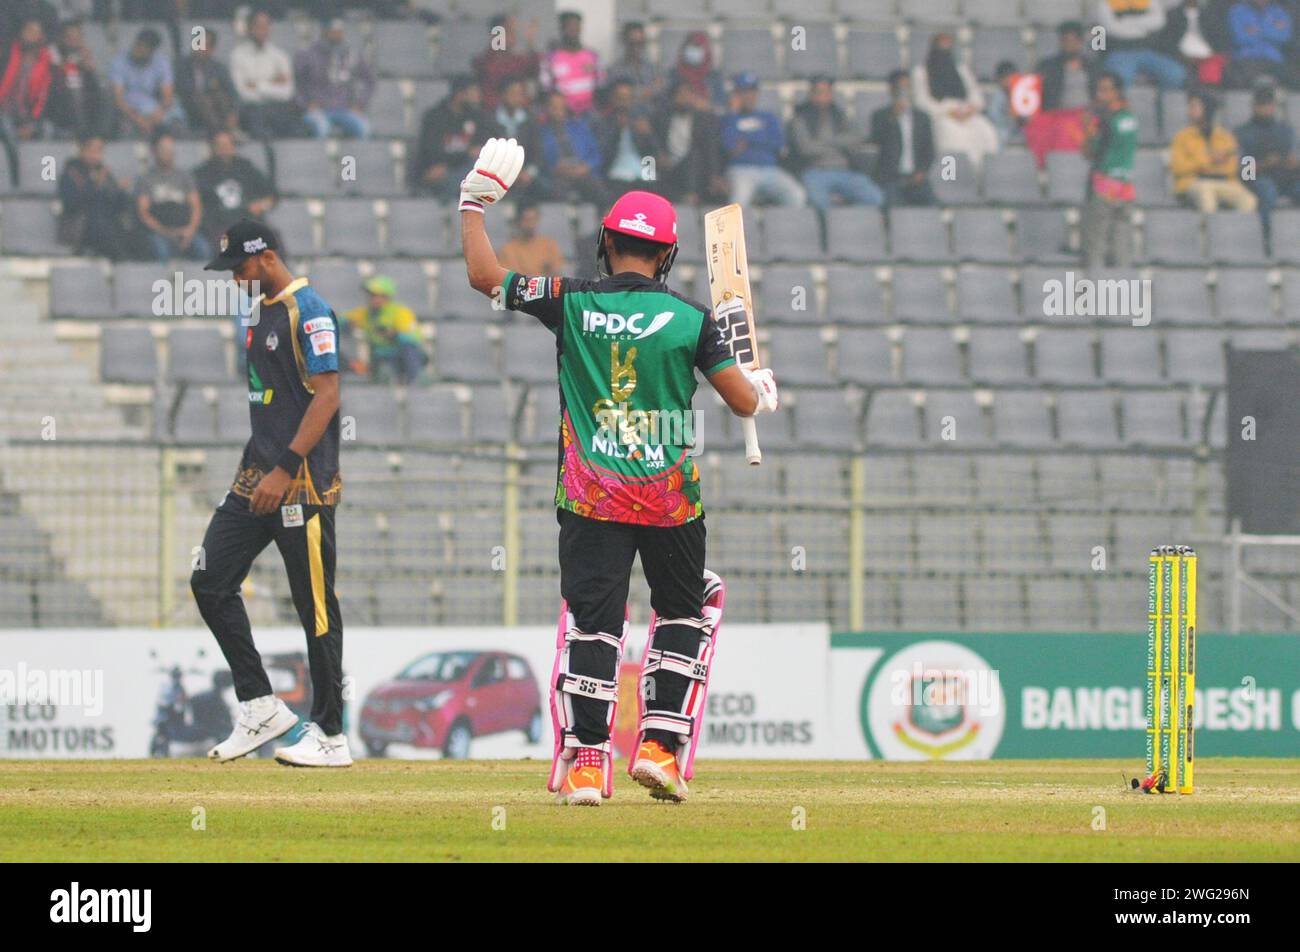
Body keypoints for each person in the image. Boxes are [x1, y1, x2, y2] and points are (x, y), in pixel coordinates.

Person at [458, 138, 779, 805]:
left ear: (606, 243)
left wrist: (472, 209)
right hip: (670, 500)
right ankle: (659, 749)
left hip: (590, 495)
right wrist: (760, 385)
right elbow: (743, 401)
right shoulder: (694, 319)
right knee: (682, 613)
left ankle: (585, 766)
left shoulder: (569, 301)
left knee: (594, 625)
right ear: (666, 255)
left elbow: (487, 278)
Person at [194, 219, 350, 768]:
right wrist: (258, 469)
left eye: (239, 267)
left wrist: (284, 468)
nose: (235, 278)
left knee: (316, 609)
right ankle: (261, 704)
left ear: (264, 258)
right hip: (257, 480)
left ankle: (331, 734)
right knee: (209, 579)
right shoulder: (259, 313)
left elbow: (327, 396)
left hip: (299, 485)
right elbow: (272, 404)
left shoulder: (308, 311)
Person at [788, 75, 882, 212]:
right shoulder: (800, 119)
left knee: (875, 198)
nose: (824, 96)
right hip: (815, 171)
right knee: (819, 202)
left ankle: (846, 223)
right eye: (819, 92)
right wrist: (839, 143)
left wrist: (825, 142)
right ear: (812, 94)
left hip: (845, 170)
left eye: (827, 92)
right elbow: (806, 148)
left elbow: (857, 138)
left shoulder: (841, 116)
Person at [912, 32, 1000, 171]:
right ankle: (950, 178)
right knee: (952, 135)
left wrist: (970, 110)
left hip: (966, 113)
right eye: (941, 45)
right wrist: (948, 112)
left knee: (987, 131)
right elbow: (921, 102)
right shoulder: (921, 72)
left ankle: (983, 178)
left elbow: (976, 96)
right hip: (941, 116)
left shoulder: (962, 70)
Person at [1082, 72, 1139, 270]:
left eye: (1105, 90)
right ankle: (1124, 291)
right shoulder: (1130, 118)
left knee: (1095, 244)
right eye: (1099, 90)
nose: (1100, 95)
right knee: (1122, 244)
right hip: (1125, 187)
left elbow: (1090, 152)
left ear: (1117, 93)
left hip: (1104, 186)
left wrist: (1088, 131)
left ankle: (1095, 290)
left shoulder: (1106, 120)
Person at [722, 72, 805, 206]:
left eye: (752, 91)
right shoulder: (728, 119)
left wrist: (747, 141)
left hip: (769, 169)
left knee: (796, 195)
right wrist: (733, 113)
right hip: (741, 169)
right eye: (743, 92)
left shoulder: (768, 117)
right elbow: (730, 147)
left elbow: (778, 144)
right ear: (736, 95)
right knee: (738, 203)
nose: (749, 96)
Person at [1025, 21, 1098, 167]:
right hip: (1057, 114)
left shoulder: (1093, 66)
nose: (1069, 45)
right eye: (1065, 41)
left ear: (1080, 42)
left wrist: (1092, 110)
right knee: (1046, 128)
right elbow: (1032, 92)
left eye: (1073, 41)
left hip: (1086, 114)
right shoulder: (1047, 65)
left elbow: (1100, 94)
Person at [1170, 89, 1258, 211]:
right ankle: (1210, 228)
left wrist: (1211, 165)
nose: (1189, 111)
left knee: (1249, 200)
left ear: (1207, 109)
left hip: (1224, 182)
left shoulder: (1225, 137)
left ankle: (1235, 229)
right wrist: (1209, 161)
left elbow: (1232, 167)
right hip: (1194, 182)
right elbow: (1179, 168)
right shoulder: (1182, 137)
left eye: (1194, 106)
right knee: (1206, 193)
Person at [1235, 82, 1300, 237]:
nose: (1267, 108)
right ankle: (1267, 237)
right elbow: (1245, 173)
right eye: (1262, 105)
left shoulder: (1286, 130)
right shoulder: (1244, 133)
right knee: (1268, 191)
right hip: (1261, 179)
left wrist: (1295, 162)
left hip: (1287, 177)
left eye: (1269, 104)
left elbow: (1294, 157)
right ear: (1254, 106)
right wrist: (1265, 164)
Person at [135, 130, 211, 263]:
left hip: (185, 230)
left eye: (171, 149)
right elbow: (143, 213)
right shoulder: (146, 179)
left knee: (204, 249)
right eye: (163, 149)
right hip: (159, 231)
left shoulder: (185, 176)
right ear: (154, 151)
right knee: (160, 251)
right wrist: (165, 232)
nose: (168, 153)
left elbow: (196, 206)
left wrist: (190, 230)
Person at [410, 75, 490, 199]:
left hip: (463, 168)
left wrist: (463, 157)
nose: (478, 96)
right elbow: (433, 152)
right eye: (474, 92)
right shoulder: (434, 117)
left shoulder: (477, 118)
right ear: (460, 94)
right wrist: (465, 154)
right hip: (436, 169)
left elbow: (478, 150)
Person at [295, 17, 374, 139]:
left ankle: (354, 158)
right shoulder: (309, 54)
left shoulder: (352, 54)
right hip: (318, 109)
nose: (337, 35)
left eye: (340, 31)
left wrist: (360, 104)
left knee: (363, 128)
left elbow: (370, 80)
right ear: (325, 33)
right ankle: (317, 157)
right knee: (321, 128)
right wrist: (306, 104)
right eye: (333, 31)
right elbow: (297, 81)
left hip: (345, 109)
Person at [193, 128, 276, 245]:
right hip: (220, 227)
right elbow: (203, 207)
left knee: (272, 239)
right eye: (220, 145)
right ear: (212, 148)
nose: (224, 149)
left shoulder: (246, 168)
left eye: (227, 144)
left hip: (248, 222)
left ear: (233, 146)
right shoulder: (202, 174)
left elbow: (271, 195)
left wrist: (262, 205)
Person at [341, 274, 428, 384]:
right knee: (383, 371)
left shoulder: (400, 312)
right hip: (381, 357)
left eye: (376, 295)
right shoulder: (365, 313)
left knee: (409, 350)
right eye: (371, 295)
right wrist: (346, 323)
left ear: (386, 297)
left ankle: (416, 382)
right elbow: (341, 319)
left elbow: (414, 338)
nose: (372, 298)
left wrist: (394, 334)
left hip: (401, 356)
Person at [652, 78, 726, 205]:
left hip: (695, 168)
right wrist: (659, 156)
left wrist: (716, 175)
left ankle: (691, 195)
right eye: (680, 94)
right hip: (668, 167)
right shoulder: (661, 118)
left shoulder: (703, 119)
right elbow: (653, 143)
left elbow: (711, 149)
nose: (685, 98)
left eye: (688, 94)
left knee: (694, 156)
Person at [57, 135, 134, 259]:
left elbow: (119, 207)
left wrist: (121, 191)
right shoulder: (70, 174)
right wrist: (94, 185)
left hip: (107, 227)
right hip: (80, 227)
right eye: (92, 150)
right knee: (104, 228)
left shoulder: (104, 172)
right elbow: (71, 205)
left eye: (99, 151)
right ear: (82, 151)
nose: (95, 155)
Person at [231, 8, 302, 139]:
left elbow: (287, 92)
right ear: (249, 28)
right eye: (258, 26)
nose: (262, 30)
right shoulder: (238, 55)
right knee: (257, 119)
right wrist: (273, 82)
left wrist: (257, 85)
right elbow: (242, 92)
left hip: (278, 109)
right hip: (252, 109)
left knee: (296, 127)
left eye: (265, 26)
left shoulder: (280, 56)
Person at [870, 70, 937, 207]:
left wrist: (922, 171)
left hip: (916, 178)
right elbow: (876, 141)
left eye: (908, 87)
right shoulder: (880, 116)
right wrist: (893, 118)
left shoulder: (922, 118)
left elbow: (929, 150)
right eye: (900, 88)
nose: (904, 92)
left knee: (933, 208)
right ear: (892, 90)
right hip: (890, 179)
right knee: (894, 209)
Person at [1096, 0, 1188, 91]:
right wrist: (1143, 28)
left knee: (1176, 74)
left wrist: (1126, 21)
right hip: (1119, 52)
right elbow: (1112, 29)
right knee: (1120, 80)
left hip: (1148, 51)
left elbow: (1159, 21)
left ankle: (1164, 104)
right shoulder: (1105, 3)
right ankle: (1124, 105)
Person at [537, 89, 606, 204]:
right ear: (546, 109)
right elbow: (539, 159)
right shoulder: (539, 133)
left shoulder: (579, 128)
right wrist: (555, 169)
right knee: (555, 192)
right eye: (554, 107)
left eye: (561, 107)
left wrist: (585, 167)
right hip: (557, 176)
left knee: (599, 190)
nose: (558, 111)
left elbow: (596, 154)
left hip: (582, 172)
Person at [109, 27, 181, 138]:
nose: (138, 50)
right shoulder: (119, 63)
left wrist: (157, 115)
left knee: (176, 119)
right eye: (137, 45)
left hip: (155, 110)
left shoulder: (162, 63)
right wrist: (139, 120)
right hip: (130, 111)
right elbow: (119, 100)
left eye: (144, 48)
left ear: (152, 51)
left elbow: (168, 96)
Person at [596, 78, 660, 194]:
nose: (624, 102)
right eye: (620, 98)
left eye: (628, 98)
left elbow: (652, 154)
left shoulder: (641, 120)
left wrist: (647, 135)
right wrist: (617, 131)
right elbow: (603, 155)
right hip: (616, 175)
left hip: (642, 175)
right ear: (613, 99)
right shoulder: (604, 122)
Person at [175, 27, 239, 138]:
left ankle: (225, 132)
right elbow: (185, 90)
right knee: (201, 97)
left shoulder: (219, 68)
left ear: (211, 49)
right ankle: (221, 133)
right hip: (190, 106)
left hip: (215, 107)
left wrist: (233, 114)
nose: (198, 49)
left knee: (220, 96)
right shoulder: (181, 65)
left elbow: (233, 94)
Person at [48, 18, 105, 138]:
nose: (74, 40)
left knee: (104, 89)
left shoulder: (83, 52)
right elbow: (57, 70)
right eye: (70, 37)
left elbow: (94, 75)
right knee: (75, 88)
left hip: (83, 92)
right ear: (62, 37)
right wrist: (77, 65)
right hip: (58, 94)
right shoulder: (53, 50)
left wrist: (88, 63)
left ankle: (100, 131)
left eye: (78, 36)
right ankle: (82, 132)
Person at [0, 17, 53, 143]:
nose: (32, 35)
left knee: (47, 129)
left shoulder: (46, 61)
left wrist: (33, 121)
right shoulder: (6, 53)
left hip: (27, 114)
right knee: (7, 127)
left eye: (36, 32)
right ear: (21, 32)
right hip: (4, 110)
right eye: (29, 31)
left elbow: (44, 96)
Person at [472, 13, 539, 110]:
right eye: (508, 31)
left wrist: (530, 43)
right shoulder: (483, 62)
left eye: (513, 31)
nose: (513, 35)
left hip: (520, 114)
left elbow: (534, 71)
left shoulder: (518, 60)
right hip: (493, 114)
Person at [540, 10, 602, 115]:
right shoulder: (550, 58)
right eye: (569, 26)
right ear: (562, 28)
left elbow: (601, 87)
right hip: (561, 116)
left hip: (588, 114)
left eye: (576, 26)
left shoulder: (593, 55)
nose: (573, 29)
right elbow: (545, 90)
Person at [1225, 0, 1296, 88]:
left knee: (1292, 81)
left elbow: (1285, 36)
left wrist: (1257, 30)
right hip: (1247, 59)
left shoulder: (1279, 12)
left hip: (1274, 59)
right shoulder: (1237, 11)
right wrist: (1272, 28)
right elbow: (1239, 37)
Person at [490, 76, 541, 193]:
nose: (517, 98)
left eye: (520, 94)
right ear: (503, 95)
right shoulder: (490, 121)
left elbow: (537, 153)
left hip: (526, 176)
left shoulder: (530, 121)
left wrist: (528, 173)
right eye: (513, 94)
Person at [498, 200, 565, 275]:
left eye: (534, 219)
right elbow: (511, 280)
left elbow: (558, 275)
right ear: (518, 221)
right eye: (527, 220)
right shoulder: (508, 250)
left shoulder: (550, 245)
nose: (531, 225)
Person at [607, 20, 664, 106]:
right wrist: (648, 91)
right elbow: (618, 96)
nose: (636, 48)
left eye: (640, 43)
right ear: (625, 42)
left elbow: (662, 86)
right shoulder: (615, 70)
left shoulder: (652, 67)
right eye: (632, 43)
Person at [671, 31, 725, 111]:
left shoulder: (714, 76)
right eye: (690, 47)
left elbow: (721, 104)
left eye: (697, 47)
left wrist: (703, 104)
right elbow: (666, 102)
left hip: (707, 118)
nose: (693, 51)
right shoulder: (674, 74)